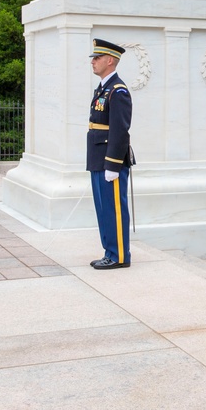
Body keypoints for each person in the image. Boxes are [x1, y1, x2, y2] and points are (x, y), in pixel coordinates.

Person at [86, 39, 134, 270]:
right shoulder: (103, 88)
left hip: (109, 159)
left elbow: (120, 129)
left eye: (97, 58)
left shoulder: (118, 90)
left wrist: (113, 165)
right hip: (98, 156)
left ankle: (119, 255)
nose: (93, 62)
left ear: (110, 60)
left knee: (114, 208)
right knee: (104, 208)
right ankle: (109, 251)